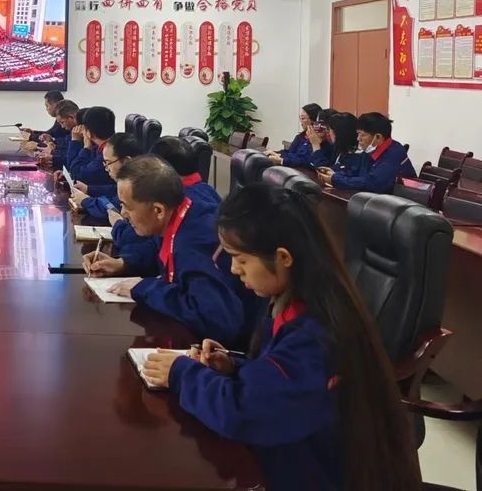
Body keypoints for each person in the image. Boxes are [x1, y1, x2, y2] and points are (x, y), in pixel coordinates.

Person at [141, 184, 422, 491]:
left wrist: (181, 374)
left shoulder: (315, 333)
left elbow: (243, 412)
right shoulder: (295, 301)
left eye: (241, 259)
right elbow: (281, 379)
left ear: (283, 257)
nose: (234, 270)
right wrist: (233, 366)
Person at [83, 155, 249, 347]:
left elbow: (215, 319)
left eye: (127, 206)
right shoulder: (180, 211)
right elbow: (156, 248)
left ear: (158, 210)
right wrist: (123, 263)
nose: (123, 214)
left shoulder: (193, 242)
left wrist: (146, 288)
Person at [317, 113, 415, 193]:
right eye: (358, 134)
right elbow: (356, 172)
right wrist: (334, 173)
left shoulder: (394, 153)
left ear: (378, 137)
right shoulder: (370, 150)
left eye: (362, 135)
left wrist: (336, 179)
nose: (358, 139)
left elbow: (372, 183)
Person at [68, 131, 142, 222]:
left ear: (126, 161)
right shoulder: (129, 181)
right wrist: (88, 189)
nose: (106, 169)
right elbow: (114, 190)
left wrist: (85, 201)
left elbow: (111, 207)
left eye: (108, 163)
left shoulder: (139, 186)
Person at [67, 106, 116, 197]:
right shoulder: (102, 146)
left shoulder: (107, 153)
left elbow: (76, 173)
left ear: (89, 133)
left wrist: (82, 146)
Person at [37, 100, 79, 170]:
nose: (62, 126)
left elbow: (73, 159)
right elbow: (65, 145)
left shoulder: (82, 132)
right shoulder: (72, 130)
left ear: (71, 117)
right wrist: (52, 143)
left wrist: (53, 157)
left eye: (62, 122)